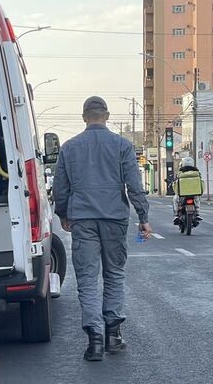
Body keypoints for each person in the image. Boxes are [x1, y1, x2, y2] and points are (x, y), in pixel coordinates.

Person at [53, 96, 151, 362]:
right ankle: (113, 335)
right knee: (114, 274)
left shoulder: (69, 148)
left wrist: (63, 213)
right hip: (115, 217)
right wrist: (143, 216)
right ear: (106, 116)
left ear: (84, 117)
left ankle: (94, 341)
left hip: (83, 219)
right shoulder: (122, 145)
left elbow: (60, 187)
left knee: (87, 278)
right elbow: (134, 184)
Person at [172, 157, 203, 225]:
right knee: (197, 199)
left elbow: (175, 183)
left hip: (182, 193)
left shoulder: (180, 173)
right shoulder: (197, 173)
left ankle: (176, 215)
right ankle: (197, 213)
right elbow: (201, 183)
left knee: (175, 200)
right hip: (194, 193)